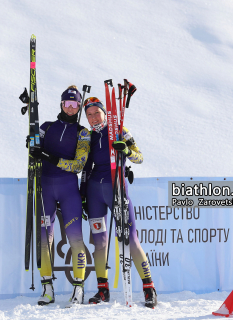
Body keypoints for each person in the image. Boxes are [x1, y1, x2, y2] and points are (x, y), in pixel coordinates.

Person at [80, 97, 157, 308]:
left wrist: (126, 151)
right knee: (99, 241)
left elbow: (139, 158)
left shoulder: (120, 130)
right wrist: (83, 195)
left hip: (117, 189)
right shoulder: (88, 136)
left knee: (131, 239)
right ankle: (102, 289)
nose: (94, 117)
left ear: (105, 113)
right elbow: (86, 168)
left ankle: (149, 287)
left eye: (97, 112)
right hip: (95, 191)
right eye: (90, 114)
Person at [29, 85, 91, 307]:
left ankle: (78, 289)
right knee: (45, 238)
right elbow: (34, 145)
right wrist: (31, 143)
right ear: (61, 105)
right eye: (67, 104)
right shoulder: (47, 126)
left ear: (79, 107)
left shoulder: (83, 133)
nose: (71, 108)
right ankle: (47, 288)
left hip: (68, 191)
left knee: (76, 239)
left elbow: (78, 165)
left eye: (75, 105)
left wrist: (48, 156)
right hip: (45, 187)